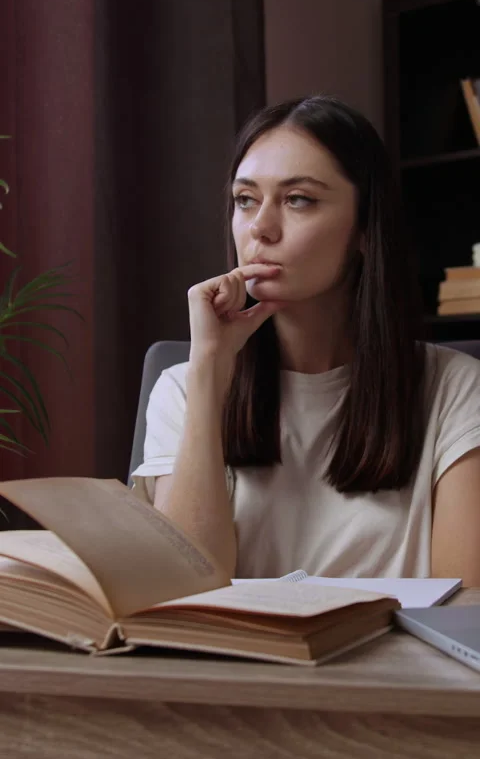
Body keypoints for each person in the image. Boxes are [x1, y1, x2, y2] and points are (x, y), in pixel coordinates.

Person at [131, 95, 480, 584]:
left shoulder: (455, 391)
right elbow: (182, 591)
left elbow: (466, 613)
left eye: (298, 200)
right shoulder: (184, 388)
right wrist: (209, 369)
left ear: (364, 229)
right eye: (245, 199)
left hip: (398, 662)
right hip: (235, 661)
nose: (260, 228)